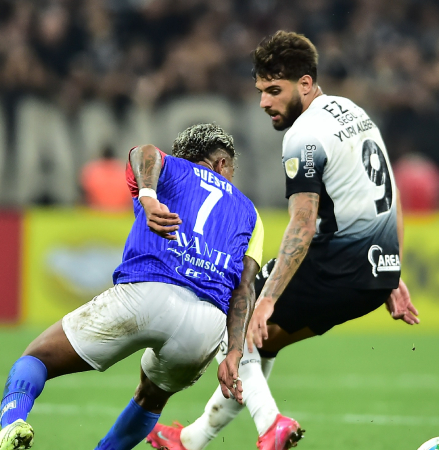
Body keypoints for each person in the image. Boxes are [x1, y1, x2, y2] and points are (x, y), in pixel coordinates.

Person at [148, 31, 419, 450]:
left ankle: (270, 425)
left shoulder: (303, 136)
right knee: (262, 341)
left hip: (336, 263)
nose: (264, 103)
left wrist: (267, 298)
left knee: (234, 318)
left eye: (275, 91)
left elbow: (303, 224)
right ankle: (189, 440)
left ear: (306, 84)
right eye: (260, 91)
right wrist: (391, 267)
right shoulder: (355, 113)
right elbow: (390, 192)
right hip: (371, 274)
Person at [0, 123, 264, 450]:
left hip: (146, 293)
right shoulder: (250, 213)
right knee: (151, 398)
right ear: (221, 163)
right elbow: (244, 289)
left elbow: (142, 152)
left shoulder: (170, 168)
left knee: (37, 358)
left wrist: (148, 196)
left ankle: (11, 423)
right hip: (205, 326)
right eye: (232, 168)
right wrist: (234, 352)